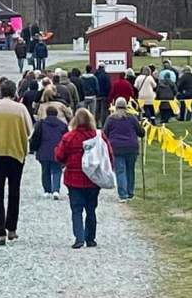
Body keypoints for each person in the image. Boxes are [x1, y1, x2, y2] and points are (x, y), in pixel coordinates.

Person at [0, 79, 33, 245]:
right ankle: (11, 228)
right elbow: (29, 130)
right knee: (14, 191)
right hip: (16, 153)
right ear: (14, 92)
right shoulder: (20, 109)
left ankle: (0, 232)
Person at [55, 108, 113, 249]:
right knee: (91, 208)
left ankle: (79, 238)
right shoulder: (98, 136)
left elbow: (59, 156)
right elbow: (108, 154)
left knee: (76, 209)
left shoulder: (69, 137)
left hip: (73, 178)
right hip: (93, 178)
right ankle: (90, 238)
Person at [103, 97, 145, 202]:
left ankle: (123, 194)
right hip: (131, 147)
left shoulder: (111, 119)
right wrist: (142, 127)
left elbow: (105, 133)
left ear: (115, 107)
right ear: (126, 106)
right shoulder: (132, 118)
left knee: (120, 171)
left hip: (116, 148)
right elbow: (141, 133)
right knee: (130, 170)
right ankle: (130, 193)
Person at [29, 105, 68, 199]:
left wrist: (33, 148)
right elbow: (66, 139)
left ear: (46, 113)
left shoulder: (40, 124)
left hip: (43, 150)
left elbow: (35, 137)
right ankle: (56, 190)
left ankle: (47, 190)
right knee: (57, 170)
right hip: (57, 151)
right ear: (57, 114)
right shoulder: (63, 125)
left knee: (45, 170)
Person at [95, 63, 111, 128]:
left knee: (97, 110)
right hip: (104, 95)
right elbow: (108, 86)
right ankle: (103, 125)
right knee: (103, 111)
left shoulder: (95, 75)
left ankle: (96, 124)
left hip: (97, 95)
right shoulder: (106, 75)